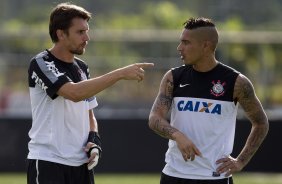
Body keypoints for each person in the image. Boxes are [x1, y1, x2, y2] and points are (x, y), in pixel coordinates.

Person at [27, 2, 153, 184]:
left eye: (87, 31)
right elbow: (73, 93)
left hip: (81, 165)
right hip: (48, 162)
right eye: (80, 32)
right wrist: (120, 74)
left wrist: (94, 140)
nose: (87, 37)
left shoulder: (82, 68)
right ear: (60, 34)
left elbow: (89, 113)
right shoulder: (41, 62)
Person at [148, 17, 269, 184]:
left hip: (214, 177)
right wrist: (177, 135)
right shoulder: (173, 77)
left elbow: (261, 123)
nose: (179, 48)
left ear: (206, 46)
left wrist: (241, 161)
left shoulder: (237, 82)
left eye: (186, 43)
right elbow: (155, 118)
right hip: (173, 175)